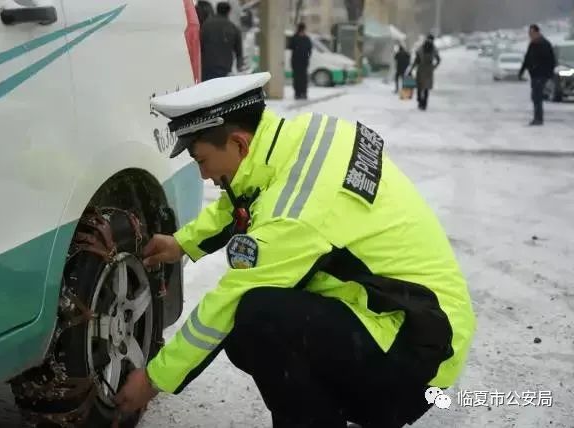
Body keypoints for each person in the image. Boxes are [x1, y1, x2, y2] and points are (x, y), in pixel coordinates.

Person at [113, 72, 476, 428]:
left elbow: (228, 300)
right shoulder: (300, 139)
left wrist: (152, 380)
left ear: (239, 143)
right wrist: (183, 242)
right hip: (419, 316)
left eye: (202, 161)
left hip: (419, 355)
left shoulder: (297, 215)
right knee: (250, 331)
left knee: (257, 317)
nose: (205, 176)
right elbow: (249, 192)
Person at [518, 24, 556, 126]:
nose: (530, 35)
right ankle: (537, 117)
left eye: (532, 33)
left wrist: (548, 75)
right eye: (529, 33)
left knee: (537, 97)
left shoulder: (544, 44)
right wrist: (521, 71)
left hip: (541, 75)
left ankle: (539, 119)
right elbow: (527, 59)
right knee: (535, 97)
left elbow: (551, 61)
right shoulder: (532, 44)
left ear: (537, 32)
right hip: (534, 75)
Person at [200, 1, 244, 81]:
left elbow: (200, 45)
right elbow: (239, 51)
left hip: (206, 67)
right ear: (229, 11)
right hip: (224, 68)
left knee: (207, 90)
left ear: (217, 10)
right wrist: (239, 66)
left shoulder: (206, 25)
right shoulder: (233, 27)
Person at [408, 34, 440, 110]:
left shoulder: (426, 49)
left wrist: (433, 67)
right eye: (429, 40)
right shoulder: (428, 49)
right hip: (425, 70)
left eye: (430, 40)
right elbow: (417, 60)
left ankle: (422, 103)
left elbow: (417, 60)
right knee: (423, 88)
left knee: (423, 87)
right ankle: (422, 102)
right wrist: (433, 67)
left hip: (424, 70)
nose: (429, 41)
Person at [288, 22, 312, 100]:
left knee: (303, 78)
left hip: (303, 61)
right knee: (297, 78)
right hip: (296, 61)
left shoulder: (306, 38)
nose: (302, 31)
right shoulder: (295, 37)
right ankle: (297, 93)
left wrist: (307, 57)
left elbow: (310, 49)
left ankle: (303, 93)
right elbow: (290, 46)